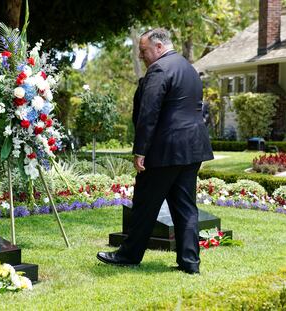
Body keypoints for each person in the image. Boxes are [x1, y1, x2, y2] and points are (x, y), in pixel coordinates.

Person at [97, 28, 213, 274]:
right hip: (192, 149)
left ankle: (128, 255)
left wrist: (140, 150)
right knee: (186, 207)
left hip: (165, 149)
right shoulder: (188, 68)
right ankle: (190, 262)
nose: (141, 56)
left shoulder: (159, 69)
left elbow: (149, 113)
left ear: (159, 47)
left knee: (144, 204)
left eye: (144, 50)